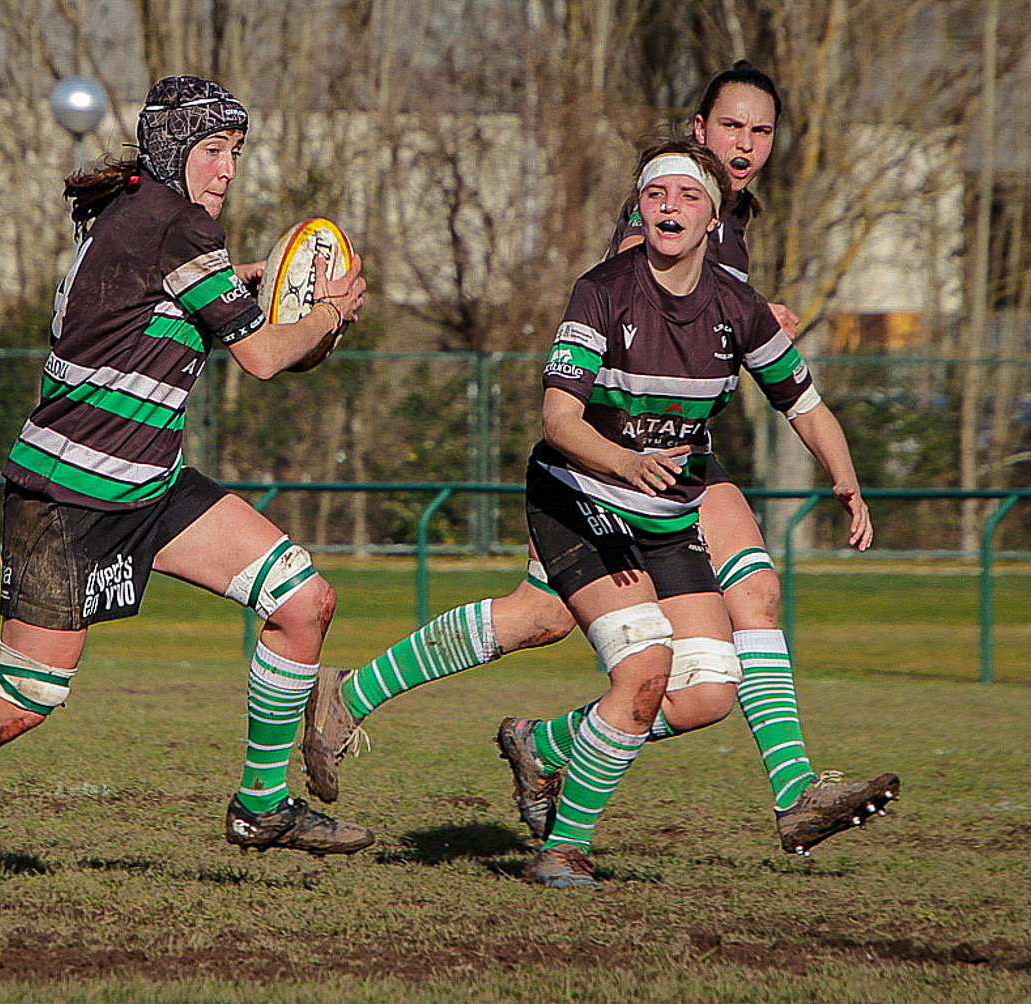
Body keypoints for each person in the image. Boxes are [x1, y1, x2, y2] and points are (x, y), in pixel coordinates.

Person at [300, 62, 898, 859]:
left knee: (558, 617)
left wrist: (759, 330)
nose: (744, 143)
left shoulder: (737, 212)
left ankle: (509, 737)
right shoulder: (668, 211)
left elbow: (743, 341)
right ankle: (750, 787)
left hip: (673, 457)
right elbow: (638, 284)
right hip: (610, 455)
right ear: (699, 130)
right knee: (701, 605)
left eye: (760, 130)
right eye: (731, 127)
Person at [0, 75, 370, 880]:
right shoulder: (172, 223)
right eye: (214, 151)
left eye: (236, 154)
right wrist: (327, 313)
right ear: (177, 150)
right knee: (23, 701)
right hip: (69, 498)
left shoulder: (151, 215)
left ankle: (259, 807)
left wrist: (264, 278)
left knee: (301, 598)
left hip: (150, 485)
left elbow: (193, 296)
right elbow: (262, 357)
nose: (227, 171)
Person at [508, 139, 871, 887]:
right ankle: (563, 848)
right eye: (657, 194)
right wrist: (624, 461)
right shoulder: (602, 289)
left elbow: (804, 405)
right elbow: (557, 418)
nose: (670, 206)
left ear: (714, 221)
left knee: (707, 688)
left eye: (688, 196)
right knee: (645, 667)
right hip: (580, 498)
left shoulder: (737, 308)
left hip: (664, 511)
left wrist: (846, 480)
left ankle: (544, 747)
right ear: (640, 208)